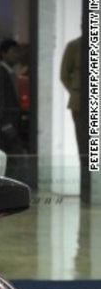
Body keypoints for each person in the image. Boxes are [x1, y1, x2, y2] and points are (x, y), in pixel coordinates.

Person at [61, 36, 89, 200]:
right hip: (80, 103)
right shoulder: (74, 46)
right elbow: (64, 74)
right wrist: (76, 92)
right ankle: (87, 188)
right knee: (84, 146)